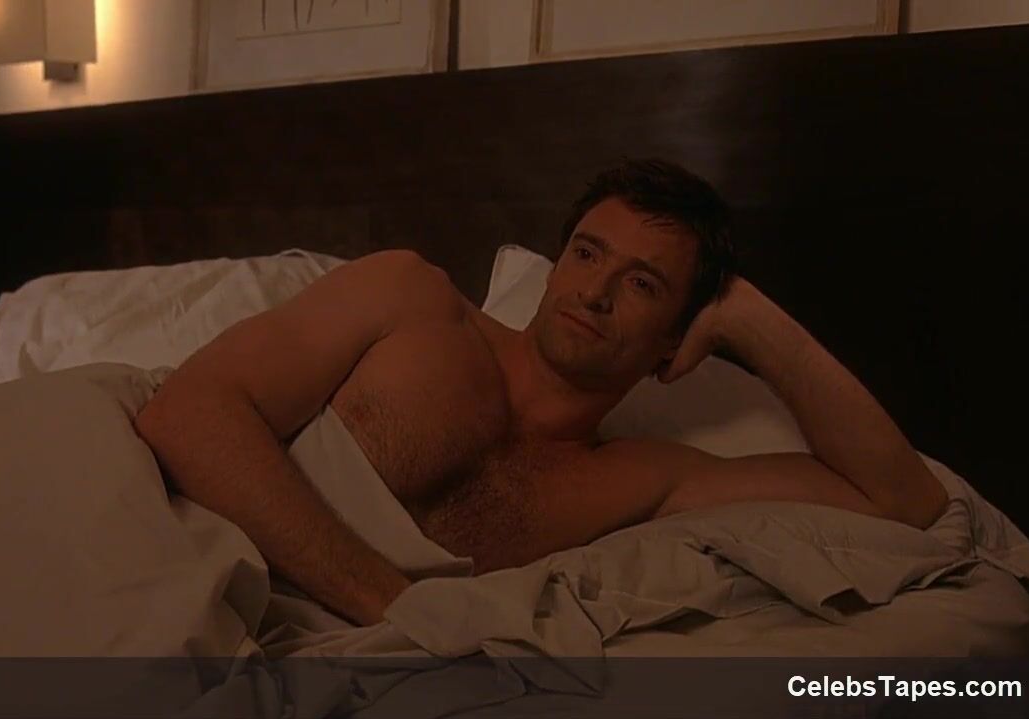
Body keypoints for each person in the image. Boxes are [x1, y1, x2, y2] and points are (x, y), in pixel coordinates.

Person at [135, 158, 948, 626]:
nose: (595, 291)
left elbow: (902, 499)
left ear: (677, 340)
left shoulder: (643, 478)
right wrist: (393, 606)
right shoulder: (410, 300)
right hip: (171, 548)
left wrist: (750, 316)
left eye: (642, 283)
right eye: (587, 254)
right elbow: (188, 411)